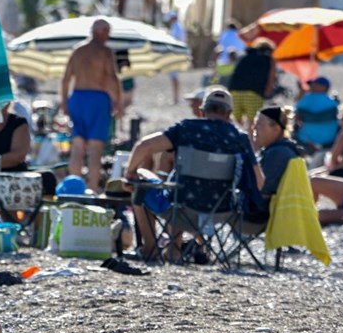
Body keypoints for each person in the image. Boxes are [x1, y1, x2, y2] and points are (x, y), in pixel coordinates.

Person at [124, 88, 262, 259]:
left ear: (202, 111)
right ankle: (174, 249)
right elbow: (258, 181)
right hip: (221, 211)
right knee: (182, 190)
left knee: (142, 185)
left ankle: (151, 248)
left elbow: (143, 147)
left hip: (181, 208)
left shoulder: (187, 128)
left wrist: (130, 173)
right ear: (229, 114)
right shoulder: (240, 137)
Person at [60, 19, 122, 191]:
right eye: (108, 32)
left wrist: (64, 102)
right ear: (102, 32)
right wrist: (118, 101)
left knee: (77, 146)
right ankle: (92, 189)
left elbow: (65, 80)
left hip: (77, 98)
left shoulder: (77, 50)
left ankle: (74, 190)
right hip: (98, 99)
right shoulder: (105, 52)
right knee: (95, 149)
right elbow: (112, 77)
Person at [242, 106, 303, 230]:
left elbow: (261, 188)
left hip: (257, 215)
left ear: (276, 129)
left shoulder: (277, 154)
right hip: (265, 212)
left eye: (259, 125)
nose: (253, 129)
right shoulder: (281, 150)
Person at [227, 39, 276, 129]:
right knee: (253, 124)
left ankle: (237, 139)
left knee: (235, 122)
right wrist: (267, 92)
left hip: (234, 92)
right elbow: (271, 77)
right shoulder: (269, 60)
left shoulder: (244, 57)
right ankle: (250, 142)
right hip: (254, 94)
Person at [294, 77, 339, 150]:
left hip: (307, 139)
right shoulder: (332, 103)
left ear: (323, 87)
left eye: (314, 84)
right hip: (330, 138)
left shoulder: (306, 99)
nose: (310, 86)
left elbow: (297, 118)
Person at [167, 12, 186, 104]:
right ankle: (175, 97)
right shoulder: (177, 27)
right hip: (176, 53)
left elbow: (176, 40)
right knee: (174, 76)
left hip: (175, 53)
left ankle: (176, 97)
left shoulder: (177, 27)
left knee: (174, 76)